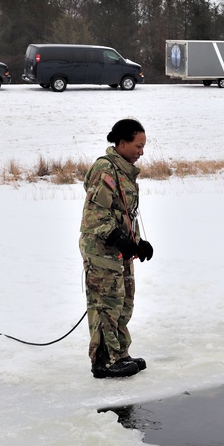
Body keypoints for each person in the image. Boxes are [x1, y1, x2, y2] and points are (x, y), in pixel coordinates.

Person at [79, 119, 154, 379]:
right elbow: (94, 215)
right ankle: (103, 361)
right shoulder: (105, 169)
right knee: (105, 304)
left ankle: (119, 353)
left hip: (119, 249)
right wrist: (114, 236)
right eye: (138, 145)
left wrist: (137, 241)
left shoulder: (125, 172)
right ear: (122, 143)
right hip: (101, 249)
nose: (141, 152)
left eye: (143, 146)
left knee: (124, 302)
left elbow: (125, 213)